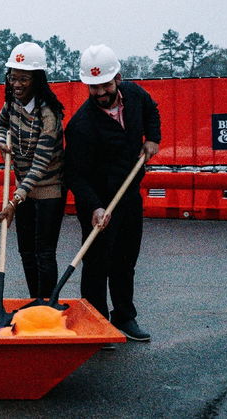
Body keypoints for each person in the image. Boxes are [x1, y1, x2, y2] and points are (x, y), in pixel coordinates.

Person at [64, 44, 161, 342]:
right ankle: (96, 321)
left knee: (124, 260)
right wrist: (94, 207)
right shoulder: (81, 125)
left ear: (118, 78)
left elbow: (152, 111)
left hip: (129, 194)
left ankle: (124, 316)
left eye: (104, 85)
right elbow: (75, 175)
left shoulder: (134, 96)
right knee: (96, 264)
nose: (99, 93)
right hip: (98, 201)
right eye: (92, 87)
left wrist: (152, 138)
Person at [0, 42, 66, 299]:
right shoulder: (12, 104)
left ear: (37, 79)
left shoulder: (49, 114)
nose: (17, 84)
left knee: (44, 253)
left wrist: (14, 200)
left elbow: (40, 165)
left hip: (48, 189)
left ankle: (48, 304)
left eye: (24, 78)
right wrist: (1, 141)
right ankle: (35, 301)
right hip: (22, 190)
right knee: (26, 251)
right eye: (13, 77)